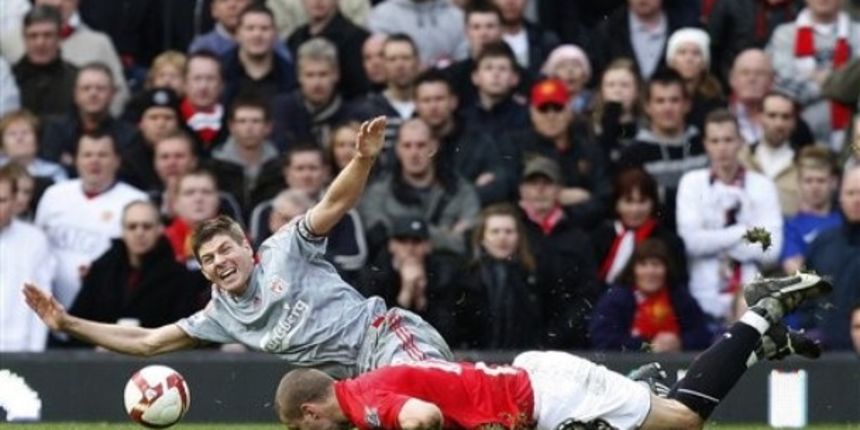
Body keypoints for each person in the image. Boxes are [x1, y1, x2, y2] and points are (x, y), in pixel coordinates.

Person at [24, 116, 454, 378]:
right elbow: (148, 342)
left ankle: (516, 389)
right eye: (208, 259)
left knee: (430, 405)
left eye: (225, 251)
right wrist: (68, 324)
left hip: (385, 338)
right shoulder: (222, 315)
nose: (219, 262)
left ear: (247, 248)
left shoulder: (286, 247)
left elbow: (335, 203)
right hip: (355, 377)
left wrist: (362, 159)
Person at [274, 273, 831, 430]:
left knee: (684, 420)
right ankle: (760, 346)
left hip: (548, 397)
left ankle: (759, 313)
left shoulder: (367, 406)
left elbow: (423, 419)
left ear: (311, 411)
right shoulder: (366, 390)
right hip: (535, 395)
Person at [676, 109, 783, 323]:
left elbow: (772, 249)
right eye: (715, 141)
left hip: (749, 303)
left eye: (728, 140)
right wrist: (742, 232)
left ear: (740, 141)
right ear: (706, 144)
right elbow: (690, 242)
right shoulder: (691, 183)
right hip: (702, 301)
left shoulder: (762, 185)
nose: (722, 148)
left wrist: (712, 238)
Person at [34, 132, 147, 309]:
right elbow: (36, 246)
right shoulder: (54, 194)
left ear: (117, 160)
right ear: (76, 160)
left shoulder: (136, 201)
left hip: (104, 310)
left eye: (102, 155)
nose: (94, 161)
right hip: (47, 308)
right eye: (87, 154)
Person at [67, 201, 207, 341]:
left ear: (160, 229)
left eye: (147, 226)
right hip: (99, 358)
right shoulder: (101, 271)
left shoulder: (180, 277)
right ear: (122, 231)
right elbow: (77, 323)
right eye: (132, 227)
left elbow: (183, 333)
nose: (139, 232)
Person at [767, 0, 860, 150]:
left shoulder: (858, 33)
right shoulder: (784, 34)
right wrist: (837, 83)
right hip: (798, 138)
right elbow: (785, 86)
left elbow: (855, 86)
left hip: (851, 137)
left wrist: (817, 78)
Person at [589, 238, 711, 352]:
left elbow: (703, 335)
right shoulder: (616, 299)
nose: (650, 271)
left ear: (666, 269)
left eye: (656, 264)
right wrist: (649, 346)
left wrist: (679, 343)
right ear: (633, 269)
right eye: (643, 265)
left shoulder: (679, 297)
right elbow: (604, 341)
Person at [592, 168, 686, 288]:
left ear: (653, 204)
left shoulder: (669, 242)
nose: (635, 209)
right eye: (628, 201)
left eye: (642, 201)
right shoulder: (600, 236)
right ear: (616, 204)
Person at [804, 166, 860, 349]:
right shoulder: (822, 243)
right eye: (850, 193)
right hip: (827, 356)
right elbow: (805, 300)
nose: (856, 200)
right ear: (840, 197)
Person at [0, 165, 55, 351]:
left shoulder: (35, 240)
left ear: (15, 201)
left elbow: (41, 299)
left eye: (2, 200)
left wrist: (35, 353)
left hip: (18, 347)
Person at [738, 91, 802, 216]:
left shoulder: (804, 163)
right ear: (759, 117)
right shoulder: (740, 158)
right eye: (772, 116)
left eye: (785, 117)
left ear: (794, 122)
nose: (779, 124)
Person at [780, 146, 842, 275]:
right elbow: (794, 270)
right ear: (799, 183)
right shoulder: (791, 227)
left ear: (833, 182)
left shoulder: (847, 220)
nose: (815, 187)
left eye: (821, 180)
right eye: (808, 181)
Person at [11, 5, 77, 117]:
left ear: (59, 37)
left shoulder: (76, 79)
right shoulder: (10, 79)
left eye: (48, 35)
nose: (40, 43)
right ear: (24, 38)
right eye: (33, 36)